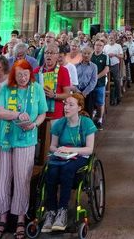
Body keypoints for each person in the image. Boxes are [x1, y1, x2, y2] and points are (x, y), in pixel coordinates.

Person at [0, 59, 47, 239]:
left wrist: (34, 125)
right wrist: (17, 114)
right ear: (13, 76)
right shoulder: (6, 89)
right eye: (19, 75)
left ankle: (20, 219)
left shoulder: (37, 88)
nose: (23, 78)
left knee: (22, 178)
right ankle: (2, 218)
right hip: (5, 139)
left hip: (26, 139)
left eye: (26, 74)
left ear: (30, 74)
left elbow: (42, 113)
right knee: (2, 178)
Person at [41, 92, 96, 233]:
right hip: (61, 156)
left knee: (67, 170)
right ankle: (51, 210)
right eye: (66, 104)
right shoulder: (59, 123)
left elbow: (89, 149)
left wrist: (71, 150)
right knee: (51, 170)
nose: (66, 107)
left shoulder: (86, 123)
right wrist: (60, 150)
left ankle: (62, 210)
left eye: (71, 105)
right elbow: (52, 146)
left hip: (79, 156)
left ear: (79, 108)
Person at [37, 45, 72, 120]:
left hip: (55, 114)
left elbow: (67, 94)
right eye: (46, 52)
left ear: (57, 56)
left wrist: (54, 95)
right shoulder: (36, 71)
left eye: (52, 53)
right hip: (38, 113)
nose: (48, 55)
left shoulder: (63, 71)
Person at [89, 40, 110, 129]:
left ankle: (99, 119)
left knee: (100, 101)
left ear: (103, 47)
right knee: (90, 100)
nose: (98, 47)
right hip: (89, 82)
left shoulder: (105, 56)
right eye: (96, 45)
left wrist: (97, 77)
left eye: (100, 45)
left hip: (100, 82)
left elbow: (106, 69)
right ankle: (90, 118)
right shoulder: (90, 55)